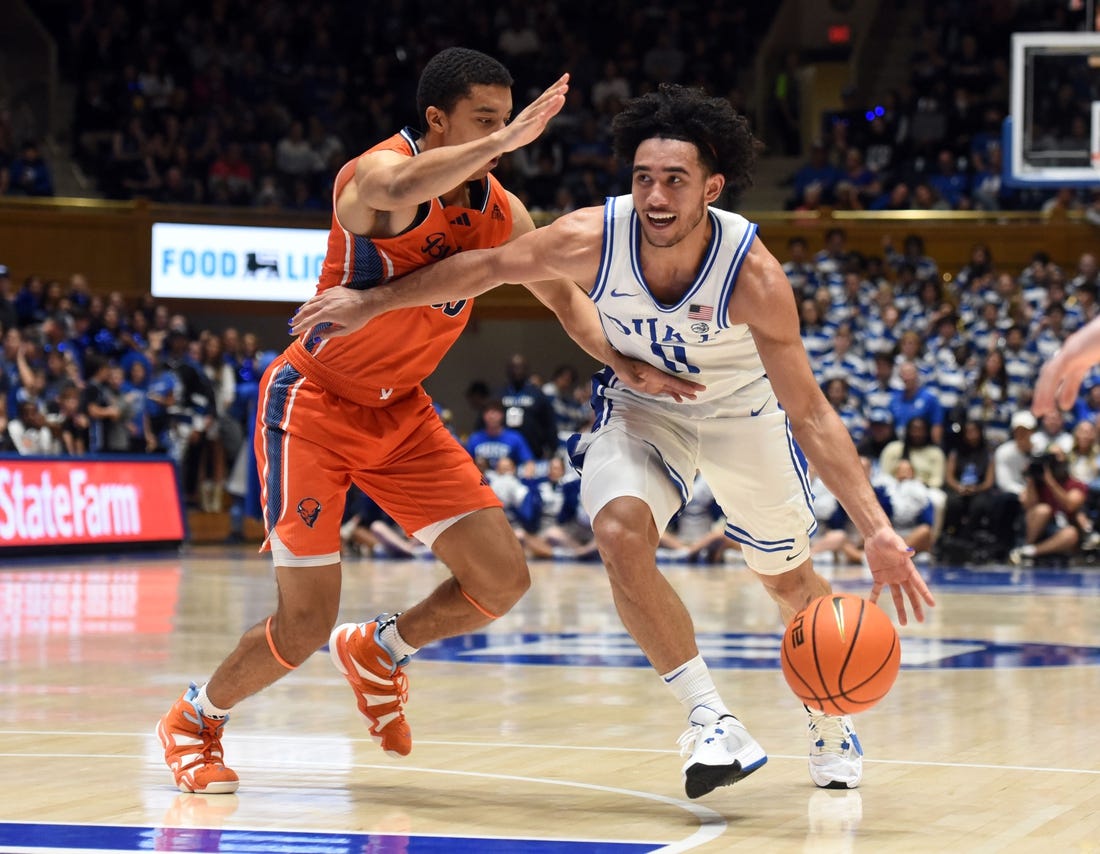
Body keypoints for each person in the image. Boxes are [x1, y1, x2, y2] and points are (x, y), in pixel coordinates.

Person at [292, 83, 935, 798]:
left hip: (739, 414)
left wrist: (875, 528)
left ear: (711, 189)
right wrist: (370, 301)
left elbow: (811, 413)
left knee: (787, 581)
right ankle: (708, 719)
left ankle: (827, 712)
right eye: (643, 178)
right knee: (621, 533)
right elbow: (484, 269)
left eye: (676, 181)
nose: (656, 196)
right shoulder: (591, 236)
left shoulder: (751, 275)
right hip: (641, 404)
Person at [156, 49, 697, 796]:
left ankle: (383, 648)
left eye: (507, 122)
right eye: (485, 122)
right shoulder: (376, 178)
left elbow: (565, 299)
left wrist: (625, 362)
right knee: (305, 621)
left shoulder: (502, 212)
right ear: (437, 120)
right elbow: (405, 184)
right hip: (311, 405)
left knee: (501, 579)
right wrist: (502, 146)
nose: (502, 136)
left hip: (402, 412)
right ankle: (196, 717)